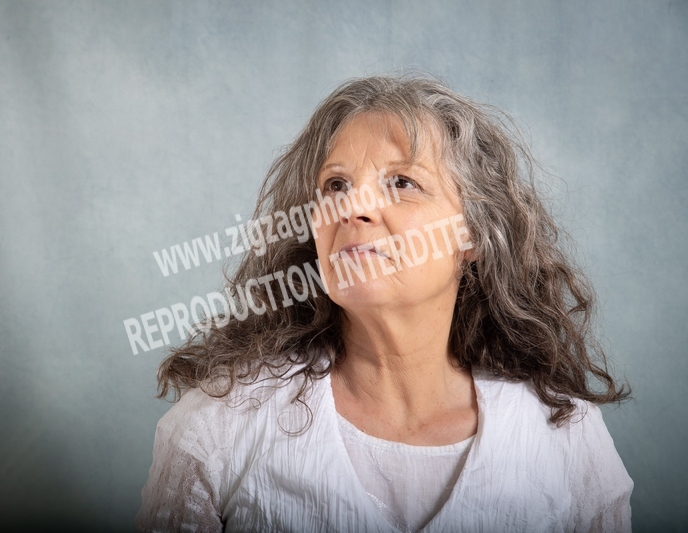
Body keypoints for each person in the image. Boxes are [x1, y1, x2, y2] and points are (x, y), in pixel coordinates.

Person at [135, 75, 633, 532]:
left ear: (474, 236)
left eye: (402, 182)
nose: (352, 207)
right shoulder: (217, 427)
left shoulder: (568, 440)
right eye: (336, 185)